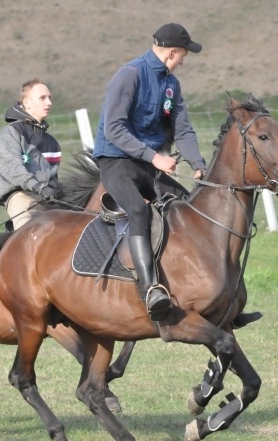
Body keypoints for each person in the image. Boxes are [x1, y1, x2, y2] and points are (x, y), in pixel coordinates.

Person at [93, 23, 207, 321]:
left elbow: (182, 129)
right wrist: (154, 157)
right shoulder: (128, 75)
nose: (184, 60)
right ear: (172, 52)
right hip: (116, 161)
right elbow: (114, 128)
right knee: (138, 212)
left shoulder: (172, 85)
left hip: (147, 163)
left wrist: (198, 163)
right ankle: (150, 289)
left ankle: (201, 291)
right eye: (183, 54)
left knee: (187, 209)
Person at [0, 78, 61, 230]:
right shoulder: (10, 134)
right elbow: (13, 170)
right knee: (27, 235)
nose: (49, 103)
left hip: (50, 201)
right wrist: (39, 187)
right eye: (42, 98)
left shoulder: (52, 142)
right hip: (22, 197)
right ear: (27, 103)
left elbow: (54, 180)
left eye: (49, 98)